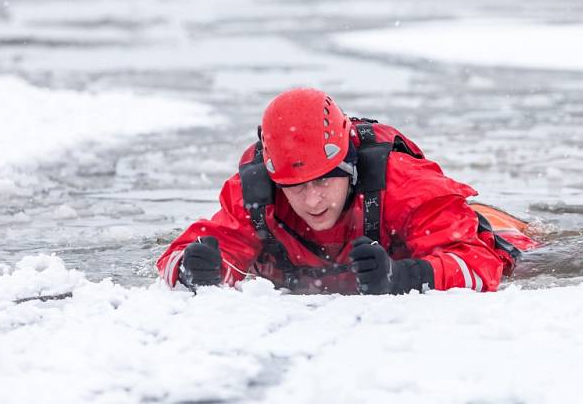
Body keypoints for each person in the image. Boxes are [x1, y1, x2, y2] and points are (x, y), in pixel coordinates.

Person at [157, 88, 535, 295]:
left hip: (499, 228)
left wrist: (404, 277)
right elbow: (174, 257)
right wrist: (194, 271)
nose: (312, 200)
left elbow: (481, 266)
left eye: (324, 179)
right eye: (295, 187)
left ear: (351, 168)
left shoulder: (405, 184)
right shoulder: (254, 197)